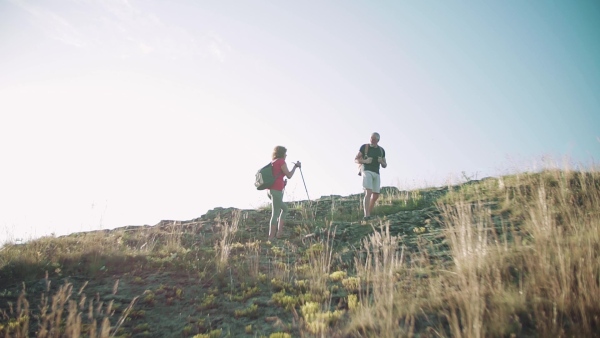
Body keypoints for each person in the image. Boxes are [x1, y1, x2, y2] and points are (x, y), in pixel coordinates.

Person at [268, 146, 301, 239]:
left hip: (270, 190)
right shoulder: (281, 161)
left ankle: (279, 233)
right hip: (276, 191)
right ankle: (271, 237)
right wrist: (295, 166)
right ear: (282, 153)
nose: (286, 155)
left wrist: (283, 183)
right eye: (285, 153)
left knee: (285, 209)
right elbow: (289, 175)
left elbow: (277, 176)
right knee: (275, 213)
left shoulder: (273, 162)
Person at [354, 132, 387, 219]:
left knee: (375, 195)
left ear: (378, 140)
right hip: (366, 170)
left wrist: (381, 162)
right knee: (368, 192)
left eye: (374, 139)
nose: (371, 140)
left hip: (376, 172)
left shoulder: (381, 150)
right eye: (371, 138)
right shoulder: (364, 147)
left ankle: (368, 211)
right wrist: (365, 161)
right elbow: (356, 159)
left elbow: (385, 165)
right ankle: (366, 215)